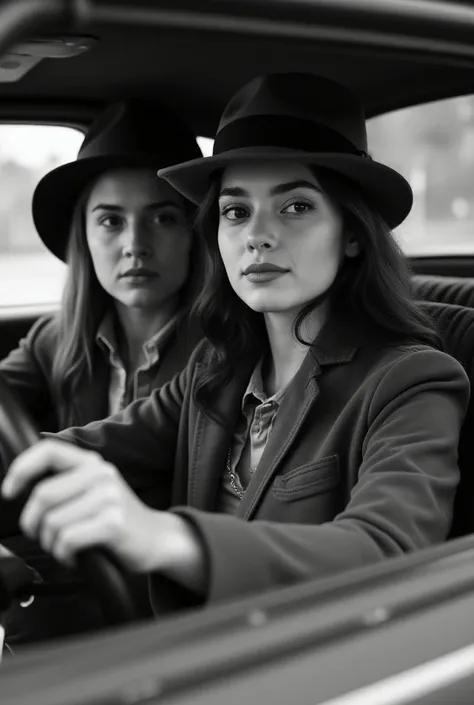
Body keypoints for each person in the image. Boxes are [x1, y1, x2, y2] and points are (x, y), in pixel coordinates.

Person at [2, 74, 469, 617]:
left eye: (295, 207)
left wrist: (168, 537)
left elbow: (387, 549)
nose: (256, 235)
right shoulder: (215, 370)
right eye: (235, 210)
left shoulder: (412, 380)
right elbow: (84, 448)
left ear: (353, 233)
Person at [0, 99, 203, 643]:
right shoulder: (54, 339)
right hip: (63, 590)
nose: (135, 245)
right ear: (84, 238)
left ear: (196, 233)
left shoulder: (225, 352)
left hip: (164, 611)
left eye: (164, 217)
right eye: (111, 220)